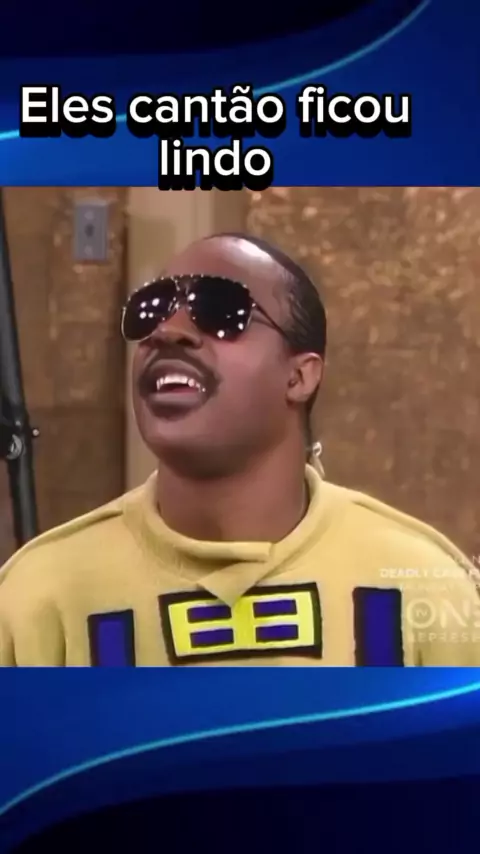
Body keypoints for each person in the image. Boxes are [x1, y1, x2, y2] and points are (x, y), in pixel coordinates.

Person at [0, 233, 478, 667]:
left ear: (300, 376)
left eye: (219, 309)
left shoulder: (424, 586)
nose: (167, 330)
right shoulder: (38, 597)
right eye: (153, 308)